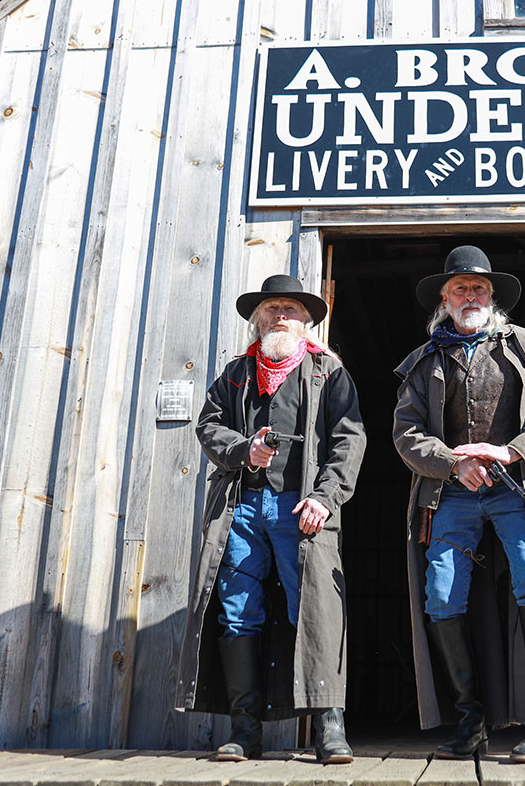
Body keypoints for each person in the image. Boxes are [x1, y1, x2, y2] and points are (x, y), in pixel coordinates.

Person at [393, 246, 525, 763]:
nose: (470, 295)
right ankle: (470, 723)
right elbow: (406, 433)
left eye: (479, 287)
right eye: (460, 288)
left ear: (492, 295)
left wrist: (510, 449)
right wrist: (452, 463)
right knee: (440, 596)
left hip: (515, 487)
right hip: (450, 492)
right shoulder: (424, 361)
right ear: (444, 298)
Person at [175, 274, 366, 764]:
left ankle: (329, 729)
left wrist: (326, 496)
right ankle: (244, 730)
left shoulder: (328, 373)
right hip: (240, 508)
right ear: (258, 318)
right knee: (237, 611)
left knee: (316, 610)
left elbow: (349, 440)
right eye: (272, 309)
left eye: (291, 309)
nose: (280, 316)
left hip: (301, 507)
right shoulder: (237, 371)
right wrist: (244, 451)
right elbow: (208, 425)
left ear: (306, 321)